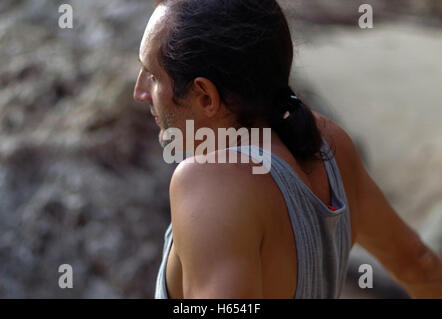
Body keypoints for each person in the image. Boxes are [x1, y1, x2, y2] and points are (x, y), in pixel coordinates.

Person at [133, 0, 442, 298]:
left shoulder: (210, 183)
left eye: (152, 75)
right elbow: (420, 265)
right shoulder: (330, 142)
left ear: (205, 96)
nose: (140, 91)